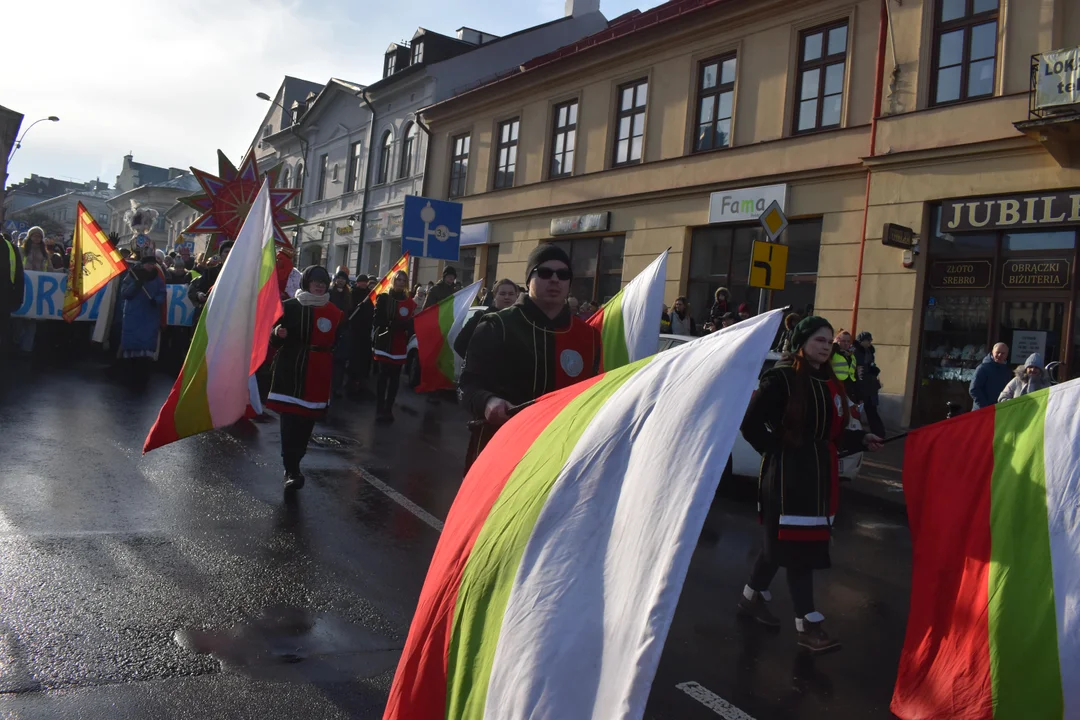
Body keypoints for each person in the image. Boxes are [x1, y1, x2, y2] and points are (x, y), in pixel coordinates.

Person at [738, 316, 883, 653]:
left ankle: (751, 596)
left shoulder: (832, 385)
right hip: (787, 479)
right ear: (802, 342)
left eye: (829, 340)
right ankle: (808, 624)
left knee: (780, 545)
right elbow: (751, 425)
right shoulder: (781, 379)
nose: (826, 345)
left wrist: (863, 439)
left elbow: (832, 435)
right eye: (819, 339)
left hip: (819, 479)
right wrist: (778, 453)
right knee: (797, 549)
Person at [459, 244, 601, 472]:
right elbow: (468, 386)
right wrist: (488, 402)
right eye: (544, 272)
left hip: (561, 457)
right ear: (528, 280)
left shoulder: (589, 336)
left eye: (563, 275)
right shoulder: (497, 325)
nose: (555, 279)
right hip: (500, 452)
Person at [267, 266, 343, 492]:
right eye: (315, 281)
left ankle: (296, 460)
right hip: (291, 367)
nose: (319, 285)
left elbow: (337, 341)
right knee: (290, 419)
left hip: (318, 371)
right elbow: (273, 340)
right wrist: (277, 334)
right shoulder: (290, 307)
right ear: (306, 282)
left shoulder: (334, 312)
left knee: (307, 421)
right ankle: (290, 469)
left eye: (323, 281)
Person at [372, 270, 416, 422]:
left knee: (395, 378)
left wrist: (409, 325)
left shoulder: (410, 302)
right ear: (393, 281)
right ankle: (379, 408)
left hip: (399, 344)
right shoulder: (383, 298)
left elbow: (412, 323)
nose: (401, 283)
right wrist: (392, 324)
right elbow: (377, 319)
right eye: (398, 280)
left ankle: (388, 409)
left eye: (403, 280)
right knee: (383, 377)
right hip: (385, 342)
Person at [119, 251, 167, 389]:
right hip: (133, 316)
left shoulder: (157, 278)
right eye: (149, 264)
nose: (151, 266)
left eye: (153, 264)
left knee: (145, 349)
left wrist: (156, 301)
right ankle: (129, 376)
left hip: (149, 317)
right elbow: (125, 293)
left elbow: (162, 293)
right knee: (132, 348)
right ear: (143, 264)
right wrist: (136, 285)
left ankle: (143, 377)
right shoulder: (132, 275)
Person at [454, 278, 518, 359]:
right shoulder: (481, 317)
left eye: (511, 294)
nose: (507, 297)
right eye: (502, 293)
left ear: (517, 296)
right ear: (495, 296)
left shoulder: (521, 319)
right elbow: (459, 345)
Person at [188, 241, 233, 323]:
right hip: (213, 315)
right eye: (226, 251)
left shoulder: (241, 273)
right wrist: (199, 295)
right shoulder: (210, 272)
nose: (229, 254)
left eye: (232, 251)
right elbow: (198, 289)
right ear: (220, 255)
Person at [853, 331, 885, 438]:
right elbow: (858, 370)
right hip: (861, 386)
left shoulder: (870, 351)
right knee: (858, 411)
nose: (869, 343)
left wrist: (873, 370)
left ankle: (879, 433)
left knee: (872, 411)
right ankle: (857, 434)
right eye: (868, 340)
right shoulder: (856, 352)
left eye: (870, 341)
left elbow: (870, 365)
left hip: (871, 385)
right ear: (862, 341)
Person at [329, 269, 354, 398]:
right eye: (339, 278)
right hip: (330, 328)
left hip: (343, 329)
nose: (341, 281)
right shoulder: (329, 293)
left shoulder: (348, 294)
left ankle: (337, 386)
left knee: (340, 360)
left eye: (343, 279)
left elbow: (350, 310)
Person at [347, 274, 374, 396]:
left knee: (365, 356)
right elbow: (349, 309)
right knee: (354, 356)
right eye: (361, 282)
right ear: (357, 283)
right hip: (355, 329)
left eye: (365, 282)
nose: (363, 284)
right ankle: (352, 381)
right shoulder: (352, 293)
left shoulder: (371, 294)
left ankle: (362, 381)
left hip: (366, 329)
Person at [0, 232, 25, 359]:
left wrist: (18, 297)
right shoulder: (10, 247)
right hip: (6, 297)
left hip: (5, 297)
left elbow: (19, 274)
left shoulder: (11, 248)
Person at [969, 342, 1012, 410]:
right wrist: (985, 407)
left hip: (1000, 410)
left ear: (1007, 355)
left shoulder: (1007, 370)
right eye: (997, 352)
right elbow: (974, 389)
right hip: (982, 410)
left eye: (1003, 353)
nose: (1000, 355)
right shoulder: (983, 368)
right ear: (992, 352)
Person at [830, 330, 859, 401]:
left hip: (850, 387)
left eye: (848, 341)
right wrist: (834, 343)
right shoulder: (833, 353)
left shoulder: (851, 356)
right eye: (843, 341)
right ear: (838, 341)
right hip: (837, 385)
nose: (846, 343)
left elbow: (854, 374)